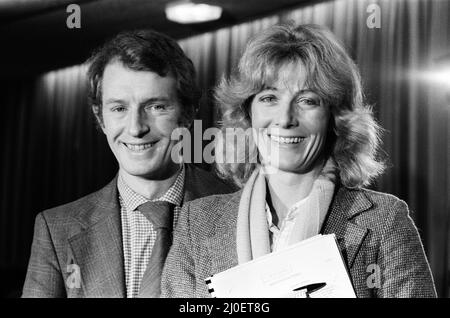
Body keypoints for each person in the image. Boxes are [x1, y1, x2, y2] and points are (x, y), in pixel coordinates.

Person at [161, 23, 437, 298]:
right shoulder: (197, 223)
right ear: (247, 115)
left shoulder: (384, 221)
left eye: (307, 100)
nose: (285, 119)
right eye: (269, 98)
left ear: (334, 117)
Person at [22, 29, 235, 298]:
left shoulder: (238, 209)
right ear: (100, 118)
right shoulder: (56, 230)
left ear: (188, 113)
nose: (136, 128)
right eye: (119, 109)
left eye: (156, 106)